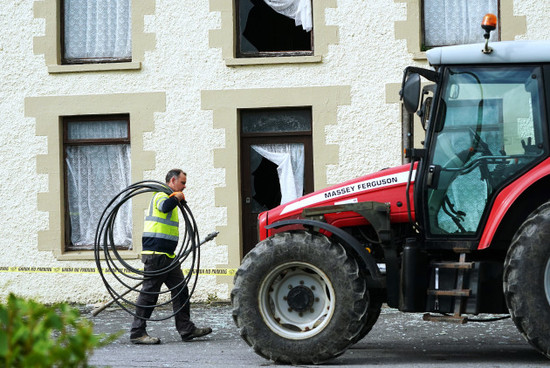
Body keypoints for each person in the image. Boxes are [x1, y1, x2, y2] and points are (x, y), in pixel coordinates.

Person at [130, 169, 212, 344]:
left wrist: (178, 198)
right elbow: (164, 206)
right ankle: (137, 332)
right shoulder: (160, 195)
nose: (184, 187)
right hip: (156, 255)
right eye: (182, 183)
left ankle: (186, 330)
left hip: (168, 256)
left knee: (181, 290)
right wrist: (177, 197)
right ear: (173, 181)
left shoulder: (171, 198)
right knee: (149, 294)